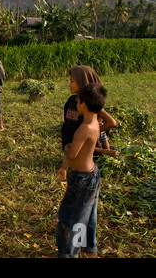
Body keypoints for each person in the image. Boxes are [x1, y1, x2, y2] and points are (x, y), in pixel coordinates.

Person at [56, 83, 107, 258]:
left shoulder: (84, 129)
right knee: (88, 217)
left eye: (77, 101)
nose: (76, 104)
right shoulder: (95, 123)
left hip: (81, 180)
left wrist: (67, 148)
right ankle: (89, 251)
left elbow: (73, 152)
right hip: (91, 176)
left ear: (84, 104)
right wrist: (64, 168)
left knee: (70, 220)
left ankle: (69, 254)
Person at [57, 65, 117, 182]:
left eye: (72, 81)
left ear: (82, 82)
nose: (69, 84)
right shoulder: (71, 101)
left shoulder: (89, 106)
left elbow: (111, 122)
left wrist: (92, 133)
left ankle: (107, 151)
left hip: (80, 152)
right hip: (71, 145)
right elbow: (67, 121)